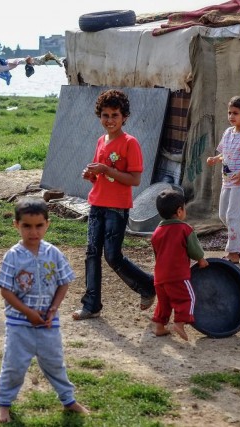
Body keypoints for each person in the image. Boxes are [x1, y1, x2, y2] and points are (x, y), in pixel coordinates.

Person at [0, 198, 89, 423]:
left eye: (39, 226)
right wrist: (28, 312)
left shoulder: (54, 253)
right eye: (27, 226)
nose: (33, 232)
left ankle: (68, 400)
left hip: (48, 323)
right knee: (14, 366)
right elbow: (5, 291)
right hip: (19, 324)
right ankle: (4, 405)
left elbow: (63, 282)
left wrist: (54, 309)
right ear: (16, 225)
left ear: (48, 224)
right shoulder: (13, 255)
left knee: (55, 363)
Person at [72, 89, 155, 320]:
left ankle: (147, 285)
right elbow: (100, 175)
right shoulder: (101, 141)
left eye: (115, 115)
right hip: (97, 203)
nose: (110, 120)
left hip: (117, 208)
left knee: (112, 256)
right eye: (105, 115)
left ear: (124, 117)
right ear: (100, 116)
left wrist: (107, 170)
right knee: (91, 254)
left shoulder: (130, 143)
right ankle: (91, 305)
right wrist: (91, 175)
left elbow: (134, 179)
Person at [206, 96, 240, 264]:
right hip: (227, 181)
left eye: (235, 113)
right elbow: (227, 153)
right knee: (223, 215)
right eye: (229, 113)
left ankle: (234, 252)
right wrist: (216, 158)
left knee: (232, 216)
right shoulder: (228, 132)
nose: (231, 116)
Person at [150, 189, 209, 341]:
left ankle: (159, 327)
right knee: (188, 298)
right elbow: (194, 250)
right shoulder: (185, 229)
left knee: (164, 304)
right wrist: (201, 260)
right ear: (179, 211)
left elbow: (158, 254)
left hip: (159, 277)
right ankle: (179, 323)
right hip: (177, 276)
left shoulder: (156, 232)